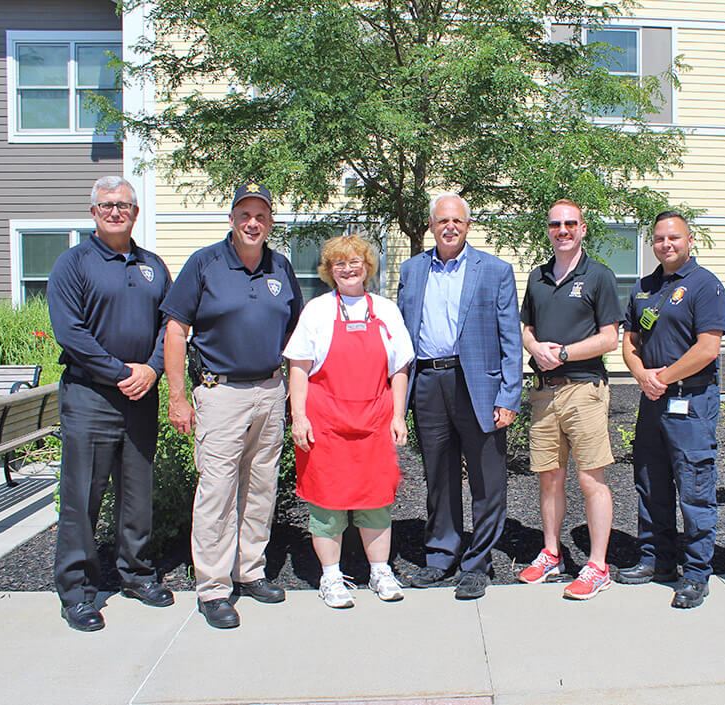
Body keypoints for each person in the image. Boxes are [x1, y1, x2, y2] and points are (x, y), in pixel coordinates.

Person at [161, 182, 303, 629]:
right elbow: (175, 331)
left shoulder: (280, 266)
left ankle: (250, 570)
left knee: (260, 487)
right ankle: (214, 588)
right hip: (220, 394)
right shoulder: (205, 264)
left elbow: (295, 332)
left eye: (261, 215)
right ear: (232, 219)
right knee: (218, 491)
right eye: (245, 214)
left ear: (270, 222)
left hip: (269, 390)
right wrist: (179, 396)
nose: (253, 223)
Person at [48, 176, 173, 632]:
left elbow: (170, 326)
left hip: (141, 397)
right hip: (90, 397)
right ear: (94, 212)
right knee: (83, 498)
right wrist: (124, 372)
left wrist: (153, 369)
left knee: (137, 496)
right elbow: (71, 334)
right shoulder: (73, 263)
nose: (115, 211)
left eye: (123, 205)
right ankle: (77, 592)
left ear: (135, 212)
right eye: (106, 205)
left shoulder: (153, 266)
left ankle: (136, 575)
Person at [397, 192, 522, 600]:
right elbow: (401, 332)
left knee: (487, 478)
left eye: (457, 221)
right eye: (442, 221)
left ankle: (477, 562)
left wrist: (509, 394)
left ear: (468, 226)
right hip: (429, 383)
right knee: (439, 475)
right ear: (431, 226)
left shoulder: (495, 270)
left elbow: (510, 338)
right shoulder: (412, 270)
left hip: (479, 386)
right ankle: (441, 556)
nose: (450, 227)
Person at [284, 234, 414, 608]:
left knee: (376, 501)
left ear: (367, 266)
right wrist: (299, 417)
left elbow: (400, 369)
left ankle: (380, 572)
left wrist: (398, 415)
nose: (347, 268)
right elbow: (298, 367)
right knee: (327, 503)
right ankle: (331, 577)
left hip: (374, 423)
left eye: (354, 261)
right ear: (329, 271)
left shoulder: (387, 311)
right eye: (339, 263)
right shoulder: (317, 311)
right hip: (324, 424)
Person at [619, 211, 725, 609]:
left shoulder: (705, 285)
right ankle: (656, 560)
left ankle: (696, 573)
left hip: (691, 401)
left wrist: (661, 377)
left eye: (674, 238)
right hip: (651, 400)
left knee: (695, 488)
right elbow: (629, 341)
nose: (667, 245)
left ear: (690, 239)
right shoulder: (645, 287)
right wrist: (642, 375)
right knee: (650, 482)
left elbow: (707, 348)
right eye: (660, 239)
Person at [518, 199, 622, 600]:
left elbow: (610, 337)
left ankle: (597, 565)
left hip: (584, 388)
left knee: (590, 477)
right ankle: (551, 553)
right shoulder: (538, 277)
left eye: (570, 224)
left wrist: (562, 353)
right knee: (549, 477)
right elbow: (525, 327)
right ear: (548, 229)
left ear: (582, 229)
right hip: (545, 392)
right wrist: (535, 345)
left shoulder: (598, 276)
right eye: (555, 224)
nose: (562, 230)